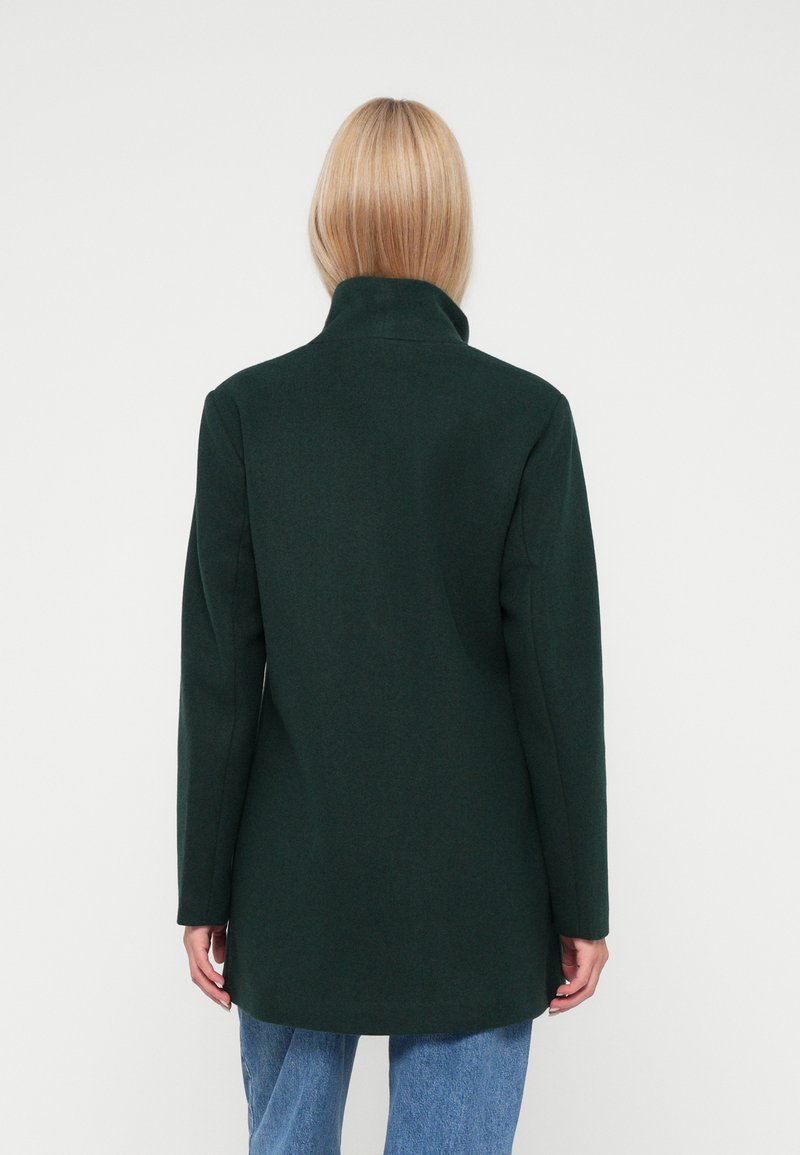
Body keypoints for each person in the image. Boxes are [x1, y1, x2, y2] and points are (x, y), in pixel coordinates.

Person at [176, 96, 610, 1154]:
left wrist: (204, 884)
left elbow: (221, 677)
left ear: (330, 222)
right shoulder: (525, 416)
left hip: (294, 885)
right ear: (452, 227)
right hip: (478, 897)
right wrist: (581, 902)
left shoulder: (247, 413)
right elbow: (556, 683)